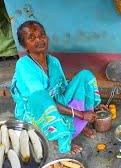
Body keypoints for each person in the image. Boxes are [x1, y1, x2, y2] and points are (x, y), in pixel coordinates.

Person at [10, 20, 105, 154]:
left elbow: (62, 86)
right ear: (24, 44)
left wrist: (87, 105)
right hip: (36, 109)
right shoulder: (23, 65)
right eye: (31, 37)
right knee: (43, 99)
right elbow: (42, 99)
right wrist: (80, 114)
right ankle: (58, 139)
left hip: (56, 100)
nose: (39, 40)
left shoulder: (53, 61)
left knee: (85, 76)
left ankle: (80, 123)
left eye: (42, 35)